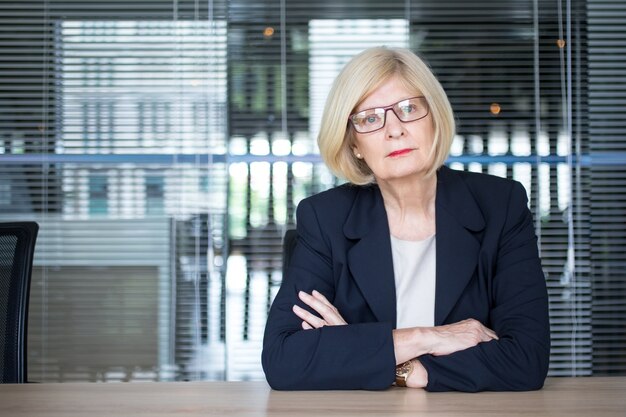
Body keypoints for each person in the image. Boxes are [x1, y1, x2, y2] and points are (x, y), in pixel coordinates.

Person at [261, 46, 550, 392]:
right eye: (369, 119)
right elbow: (284, 359)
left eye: (409, 108)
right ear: (354, 145)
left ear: (434, 117)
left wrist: (378, 356)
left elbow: (526, 359)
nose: (394, 130)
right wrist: (427, 337)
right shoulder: (325, 218)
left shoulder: (501, 206)